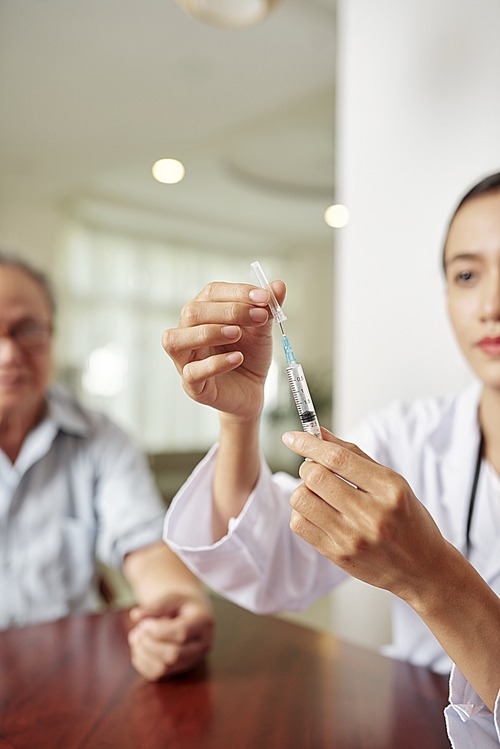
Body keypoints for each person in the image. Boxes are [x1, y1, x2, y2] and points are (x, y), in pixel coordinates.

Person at [161, 172, 500, 746]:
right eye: (466, 275)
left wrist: (433, 579)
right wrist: (240, 417)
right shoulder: (407, 438)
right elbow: (270, 570)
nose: (491, 305)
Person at [0, 252, 214, 681]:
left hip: (68, 680)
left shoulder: (101, 439)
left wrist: (176, 606)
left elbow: (144, 542)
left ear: (53, 335)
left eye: (28, 330)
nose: (9, 353)